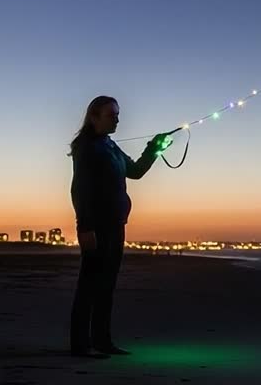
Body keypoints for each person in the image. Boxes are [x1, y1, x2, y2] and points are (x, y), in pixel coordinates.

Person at [67, 95, 167, 357]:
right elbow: (79, 190)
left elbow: (135, 171)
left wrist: (155, 147)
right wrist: (84, 227)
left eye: (118, 114)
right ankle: (80, 344)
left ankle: (102, 340)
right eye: (112, 114)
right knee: (89, 284)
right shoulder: (86, 147)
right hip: (96, 226)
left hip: (115, 223)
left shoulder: (110, 145)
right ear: (94, 117)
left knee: (107, 284)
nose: (117, 119)